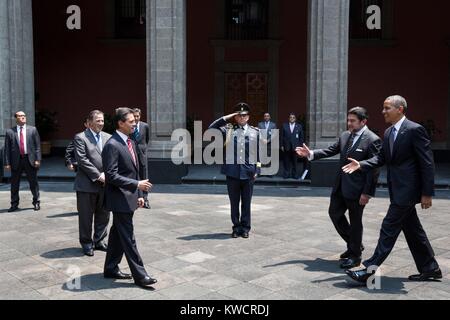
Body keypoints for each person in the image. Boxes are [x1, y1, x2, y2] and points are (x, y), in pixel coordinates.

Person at [343, 95, 442, 283]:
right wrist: (361, 164)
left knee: (388, 228)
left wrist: (427, 193)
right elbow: (381, 159)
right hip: (397, 189)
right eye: (383, 108)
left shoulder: (415, 130)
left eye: (387, 108)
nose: (383, 112)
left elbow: (427, 163)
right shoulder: (388, 132)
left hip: (408, 191)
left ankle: (368, 270)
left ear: (400, 109)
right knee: (413, 230)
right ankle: (430, 268)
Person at [296, 107, 381, 269]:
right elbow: (331, 150)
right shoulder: (345, 135)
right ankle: (354, 244)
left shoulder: (372, 139)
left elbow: (374, 169)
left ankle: (355, 255)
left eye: (353, 121)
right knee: (334, 213)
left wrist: (367, 192)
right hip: (340, 186)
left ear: (363, 122)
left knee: (356, 222)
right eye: (348, 120)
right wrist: (310, 153)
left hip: (357, 190)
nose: (349, 123)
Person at [102, 107, 157, 289]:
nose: (135, 124)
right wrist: (136, 186)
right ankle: (140, 276)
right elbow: (111, 175)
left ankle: (110, 268)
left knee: (118, 234)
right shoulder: (112, 145)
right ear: (120, 123)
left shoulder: (131, 141)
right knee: (128, 238)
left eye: (135, 121)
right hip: (119, 199)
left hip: (130, 197)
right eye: (131, 121)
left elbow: (136, 171)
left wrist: (140, 195)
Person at [209, 102, 261, 238]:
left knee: (246, 203)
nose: (242, 118)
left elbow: (259, 153)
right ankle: (236, 227)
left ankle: (245, 228)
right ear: (236, 117)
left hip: (249, 173)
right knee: (234, 202)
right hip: (232, 172)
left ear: (248, 117)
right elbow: (211, 128)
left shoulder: (255, 132)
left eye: (244, 115)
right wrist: (228, 116)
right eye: (239, 115)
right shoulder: (228, 130)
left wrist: (258, 170)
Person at [73, 111, 111, 256]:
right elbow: (82, 160)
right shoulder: (80, 137)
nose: (101, 123)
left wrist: (109, 174)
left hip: (105, 184)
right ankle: (86, 243)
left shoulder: (108, 137)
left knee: (104, 214)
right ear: (89, 122)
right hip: (87, 185)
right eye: (98, 120)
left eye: (102, 120)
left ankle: (100, 240)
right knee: (85, 216)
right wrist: (98, 175)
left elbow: (112, 157)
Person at [3, 111, 41, 212]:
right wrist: (6, 163)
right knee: (14, 184)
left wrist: (37, 159)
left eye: (24, 115)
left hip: (30, 159)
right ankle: (14, 204)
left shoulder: (32, 130)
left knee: (33, 183)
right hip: (16, 160)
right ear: (16, 118)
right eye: (20, 116)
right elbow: (6, 149)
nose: (23, 117)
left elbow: (37, 146)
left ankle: (36, 202)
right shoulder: (10, 132)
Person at [131, 108, 151, 209]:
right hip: (131, 154)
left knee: (144, 175)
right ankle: (134, 198)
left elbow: (147, 140)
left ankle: (145, 199)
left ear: (140, 116)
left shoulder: (145, 126)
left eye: (137, 116)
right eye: (134, 116)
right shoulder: (129, 126)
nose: (136, 118)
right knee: (133, 175)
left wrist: (143, 149)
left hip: (142, 154)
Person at [281, 113, 304, 179]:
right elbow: (282, 136)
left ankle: (295, 175)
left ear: (295, 119)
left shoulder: (299, 126)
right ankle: (286, 174)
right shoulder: (284, 125)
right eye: (290, 117)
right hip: (286, 146)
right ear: (289, 118)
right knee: (286, 161)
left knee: (295, 162)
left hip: (296, 147)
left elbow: (301, 138)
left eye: (293, 117)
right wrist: (282, 145)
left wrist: (300, 147)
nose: (292, 118)